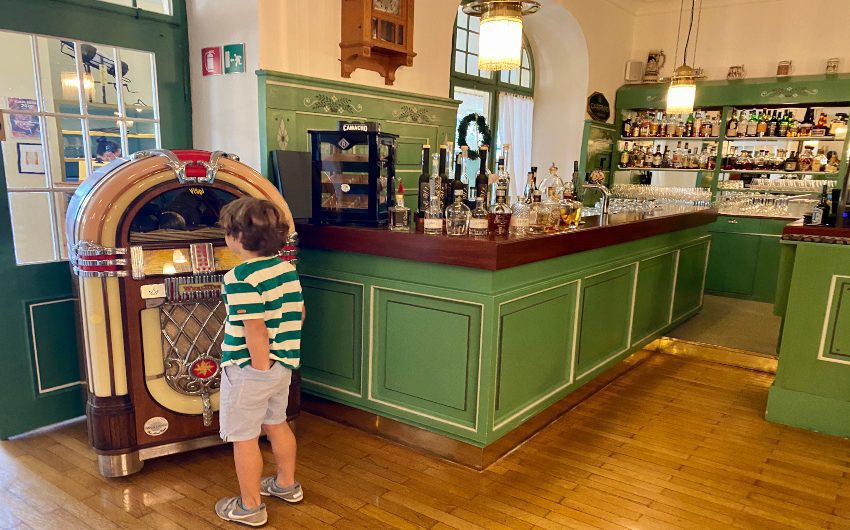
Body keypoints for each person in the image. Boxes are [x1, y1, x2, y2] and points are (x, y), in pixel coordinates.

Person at [215, 197, 305, 527]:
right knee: (276, 423)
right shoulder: (286, 268)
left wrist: (258, 367)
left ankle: (250, 506)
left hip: (250, 368)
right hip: (284, 365)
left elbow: (255, 329)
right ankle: (285, 485)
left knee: (245, 437)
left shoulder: (239, 277)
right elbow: (299, 312)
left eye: (227, 231)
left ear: (239, 236)